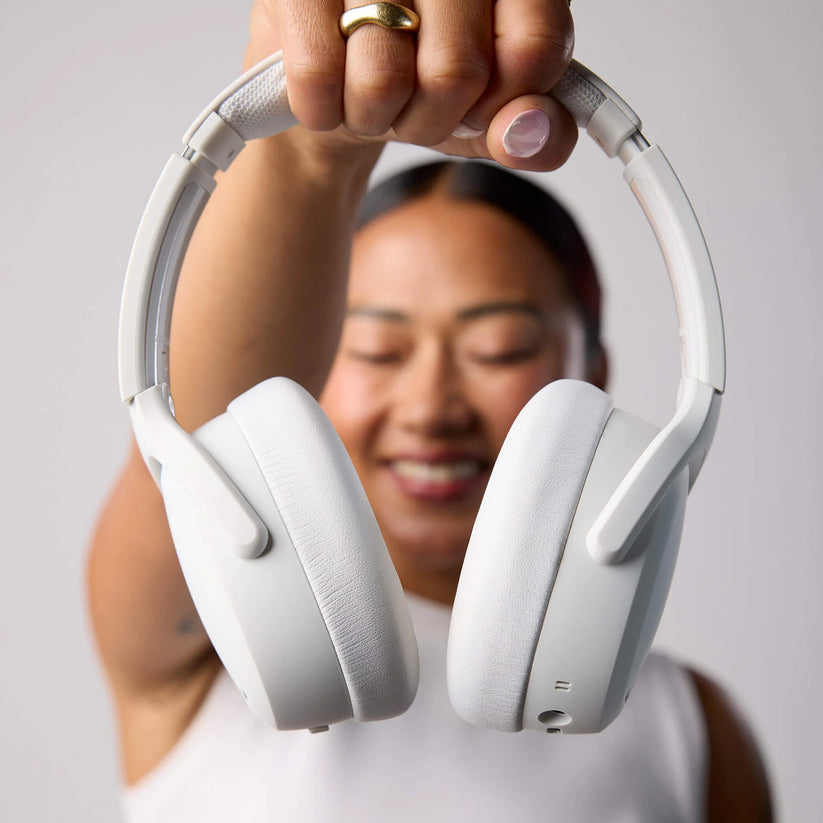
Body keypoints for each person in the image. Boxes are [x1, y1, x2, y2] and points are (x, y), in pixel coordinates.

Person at [88, 1, 772, 820]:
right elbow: (186, 442)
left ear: (593, 376)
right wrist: (312, 144)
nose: (430, 405)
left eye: (498, 349)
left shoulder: (689, 729)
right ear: (308, 372)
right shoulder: (217, 639)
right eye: (378, 349)